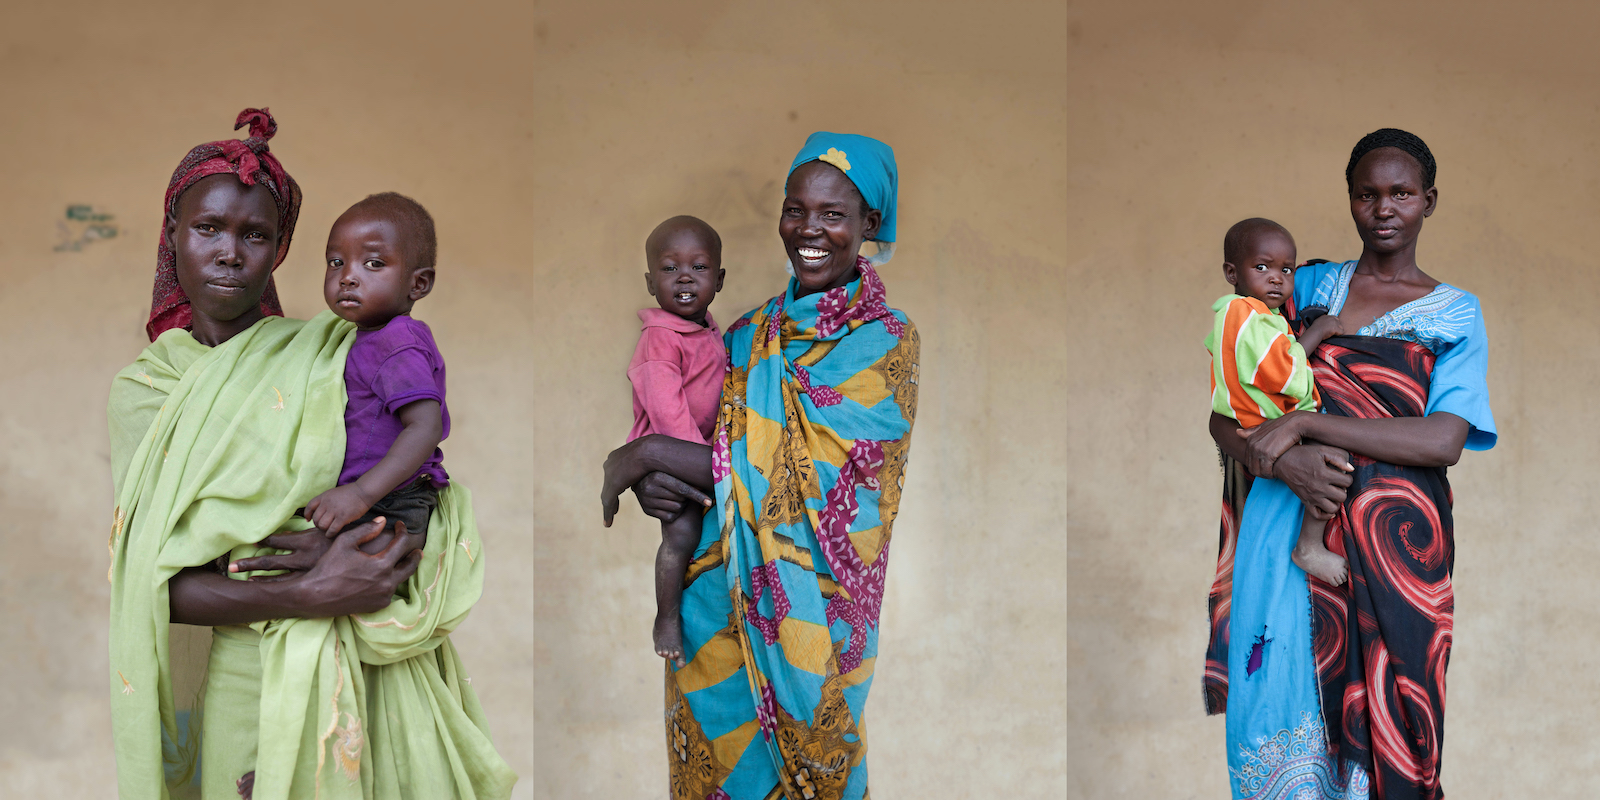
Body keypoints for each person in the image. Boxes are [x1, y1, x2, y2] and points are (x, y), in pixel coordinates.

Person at [107, 109, 514, 800]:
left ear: (278, 251)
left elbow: (421, 492)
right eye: (207, 228)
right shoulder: (148, 392)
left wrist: (369, 549)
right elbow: (150, 587)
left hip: (378, 657)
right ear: (171, 236)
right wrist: (306, 592)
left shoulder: (332, 352)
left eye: (255, 235)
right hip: (250, 682)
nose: (230, 252)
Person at [601, 132, 917, 800]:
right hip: (713, 619)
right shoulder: (743, 335)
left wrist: (644, 457)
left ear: (870, 224)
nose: (810, 229)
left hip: (817, 629)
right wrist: (658, 479)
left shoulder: (885, 341)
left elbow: (805, 484)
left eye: (834, 214)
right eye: (795, 209)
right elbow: (717, 461)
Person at [1205, 129, 1495, 800]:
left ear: (1429, 200)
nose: (1384, 208)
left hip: (1398, 554)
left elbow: (1443, 441)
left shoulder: (1455, 313)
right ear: (1351, 201)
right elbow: (1227, 415)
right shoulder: (1298, 287)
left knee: (1391, 746)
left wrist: (1306, 424)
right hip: (1284, 542)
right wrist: (1282, 465)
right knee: (1278, 728)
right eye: (1368, 194)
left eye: (1401, 193)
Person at [298, 192, 450, 545]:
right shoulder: (358, 338)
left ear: (418, 284)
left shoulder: (397, 342)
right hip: (362, 496)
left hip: (391, 502)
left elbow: (425, 427)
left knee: (337, 575)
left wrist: (361, 494)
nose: (348, 277)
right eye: (336, 262)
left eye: (374, 264)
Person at [1205, 217, 1349, 587]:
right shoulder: (1248, 316)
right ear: (1231, 271)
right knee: (1337, 457)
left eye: (1286, 269)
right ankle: (1309, 545)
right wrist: (1316, 333)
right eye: (1262, 267)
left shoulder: (1245, 316)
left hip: (1252, 423)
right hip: (1264, 423)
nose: (1277, 278)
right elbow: (1283, 373)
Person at [624, 215, 727, 667]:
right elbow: (667, 410)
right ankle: (666, 617)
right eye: (669, 269)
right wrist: (701, 463)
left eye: (699, 268)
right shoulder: (659, 338)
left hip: (699, 451)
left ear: (719, 280)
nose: (684, 276)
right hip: (673, 453)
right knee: (681, 534)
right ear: (651, 283)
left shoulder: (708, 329)